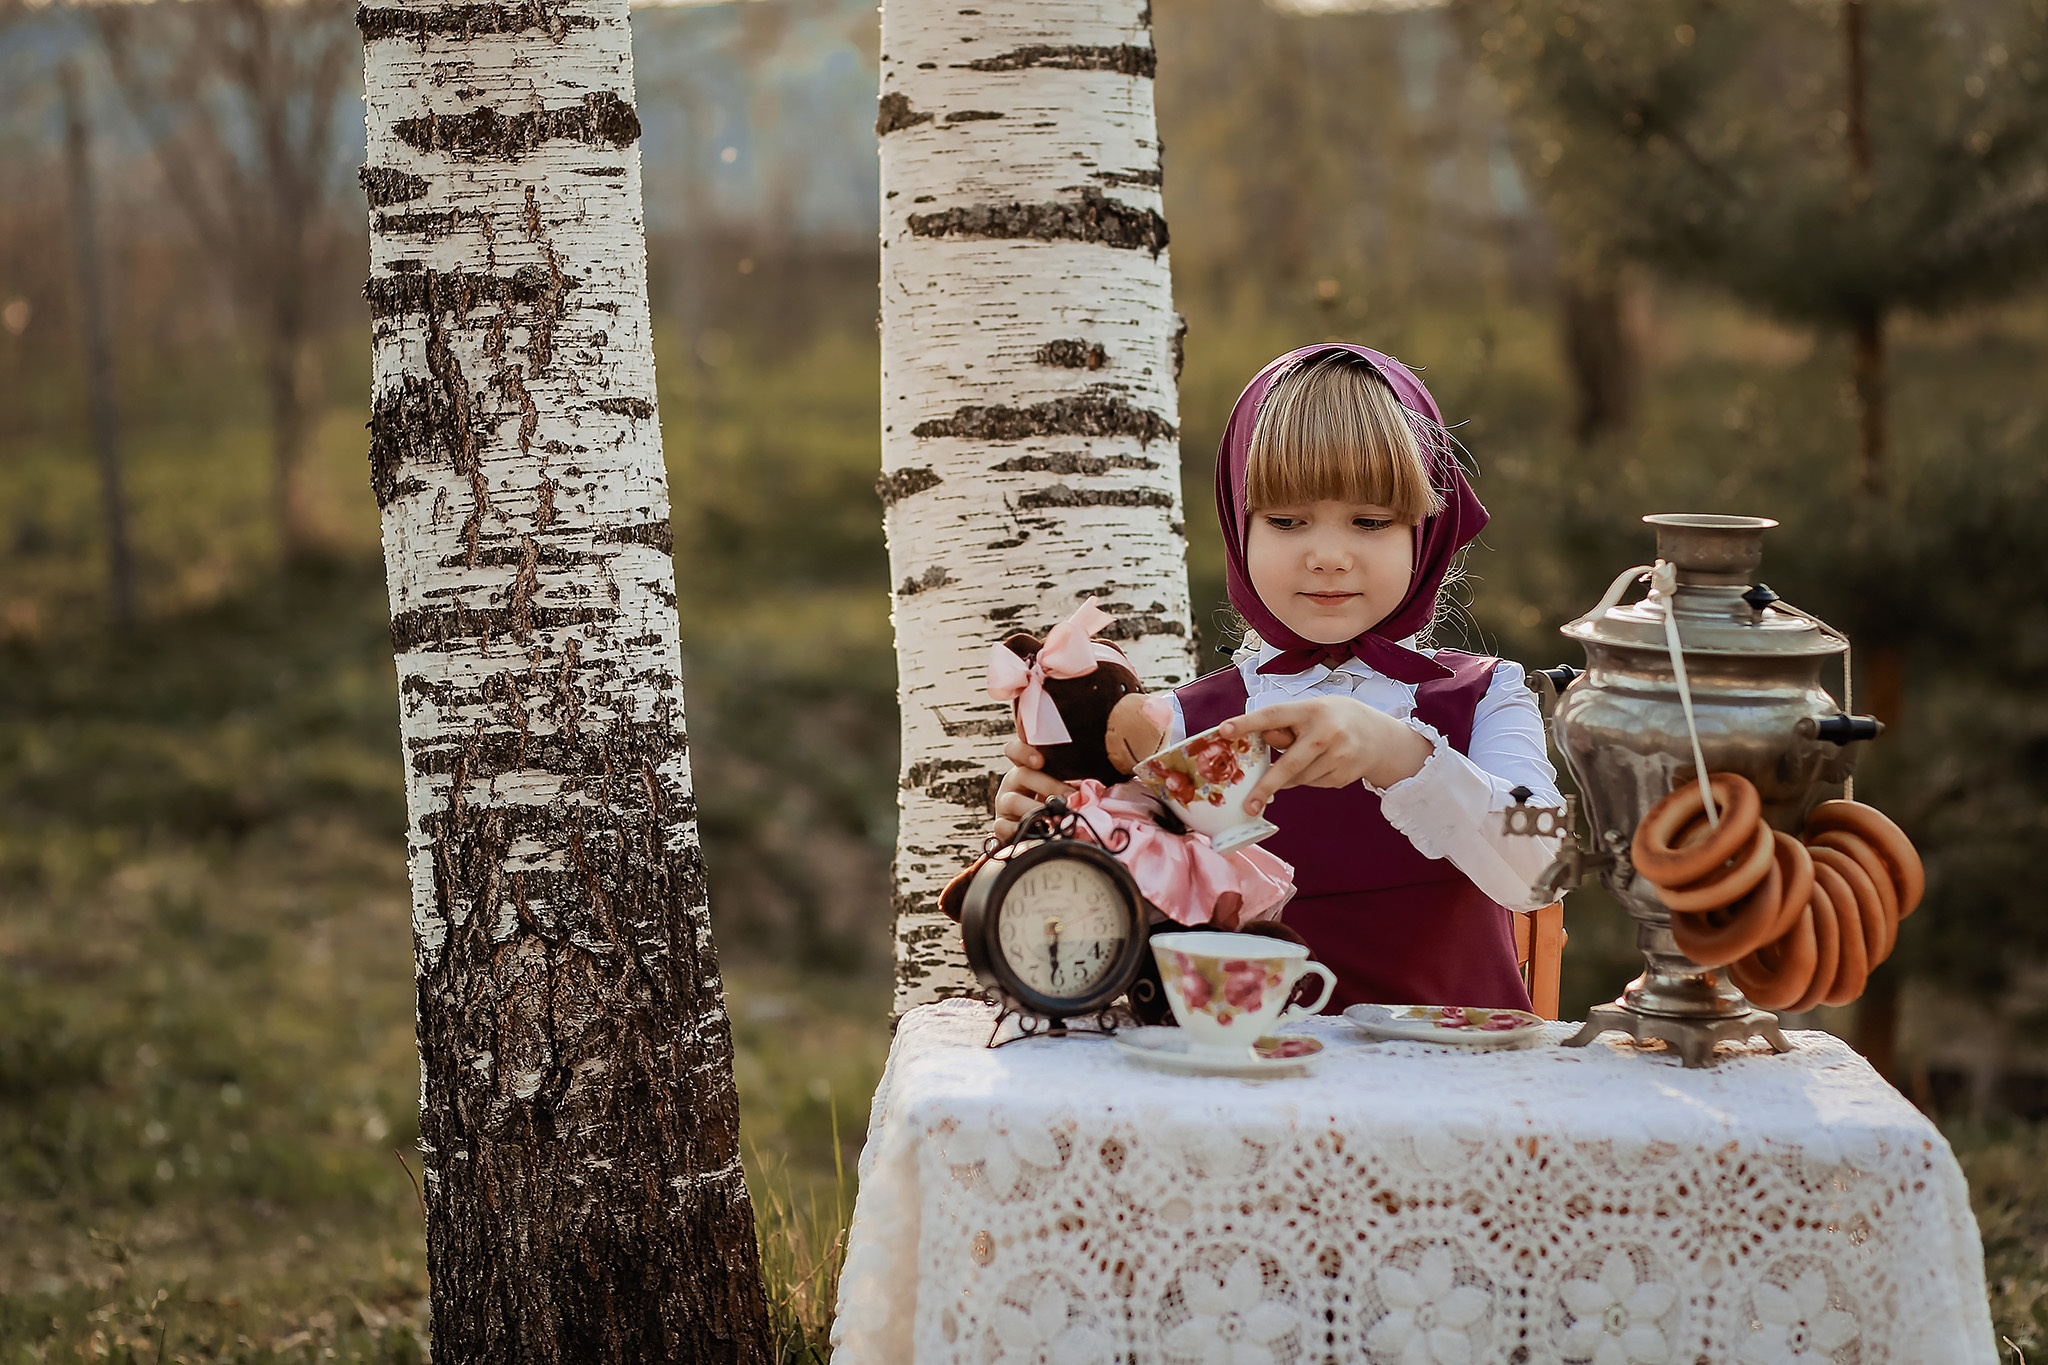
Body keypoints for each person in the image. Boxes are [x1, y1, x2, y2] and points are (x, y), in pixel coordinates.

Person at [994, 343, 1562, 1012]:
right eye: (1287, 521)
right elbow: (1101, 939)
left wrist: (1395, 752)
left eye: (1370, 521)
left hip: (1457, 1071)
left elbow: (1542, 870)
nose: (1327, 556)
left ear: (1427, 530)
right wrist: (1054, 842)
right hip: (1241, 1068)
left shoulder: (1488, 695)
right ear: (1239, 528)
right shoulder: (1174, 729)